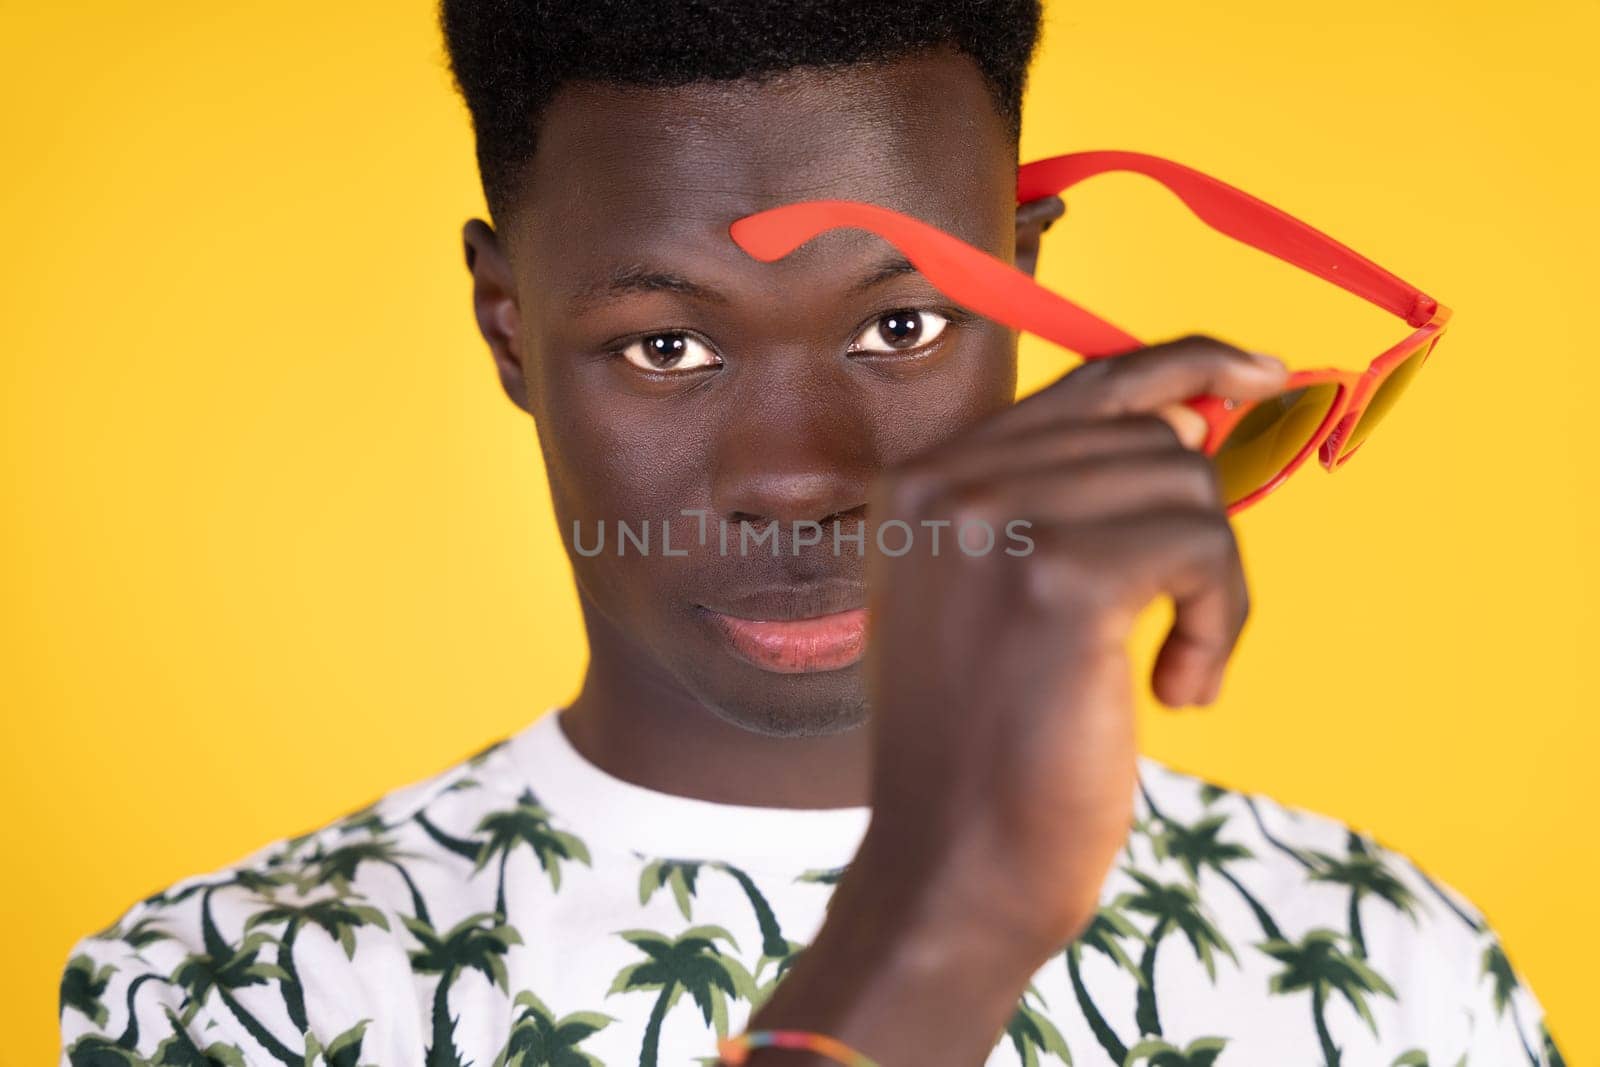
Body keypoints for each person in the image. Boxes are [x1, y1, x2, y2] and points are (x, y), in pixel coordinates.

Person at [58, 2, 1565, 1065]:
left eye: (904, 320)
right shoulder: (228, 1000)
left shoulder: (1393, 960)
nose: (799, 477)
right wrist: (939, 939)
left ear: (1026, 278)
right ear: (507, 327)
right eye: (667, 347)